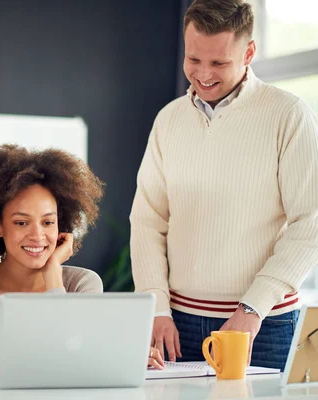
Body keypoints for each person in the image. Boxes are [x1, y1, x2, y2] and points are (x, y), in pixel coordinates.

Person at [130, 0, 318, 371]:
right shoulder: (168, 120)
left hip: (263, 325)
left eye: (218, 63)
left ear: (249, 52)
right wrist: (156, 304)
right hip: (177, 324)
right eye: (194, 60)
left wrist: (253, 308)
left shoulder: (288, 115)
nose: (203, 75)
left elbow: (309, 224)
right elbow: (148, 220)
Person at [0, 145, 165, 369]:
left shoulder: (84, 283)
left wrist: (53, 273)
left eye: (48, 222)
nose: (37, 235)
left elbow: (75, 353)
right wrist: (102, 354)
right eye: (21, 222)